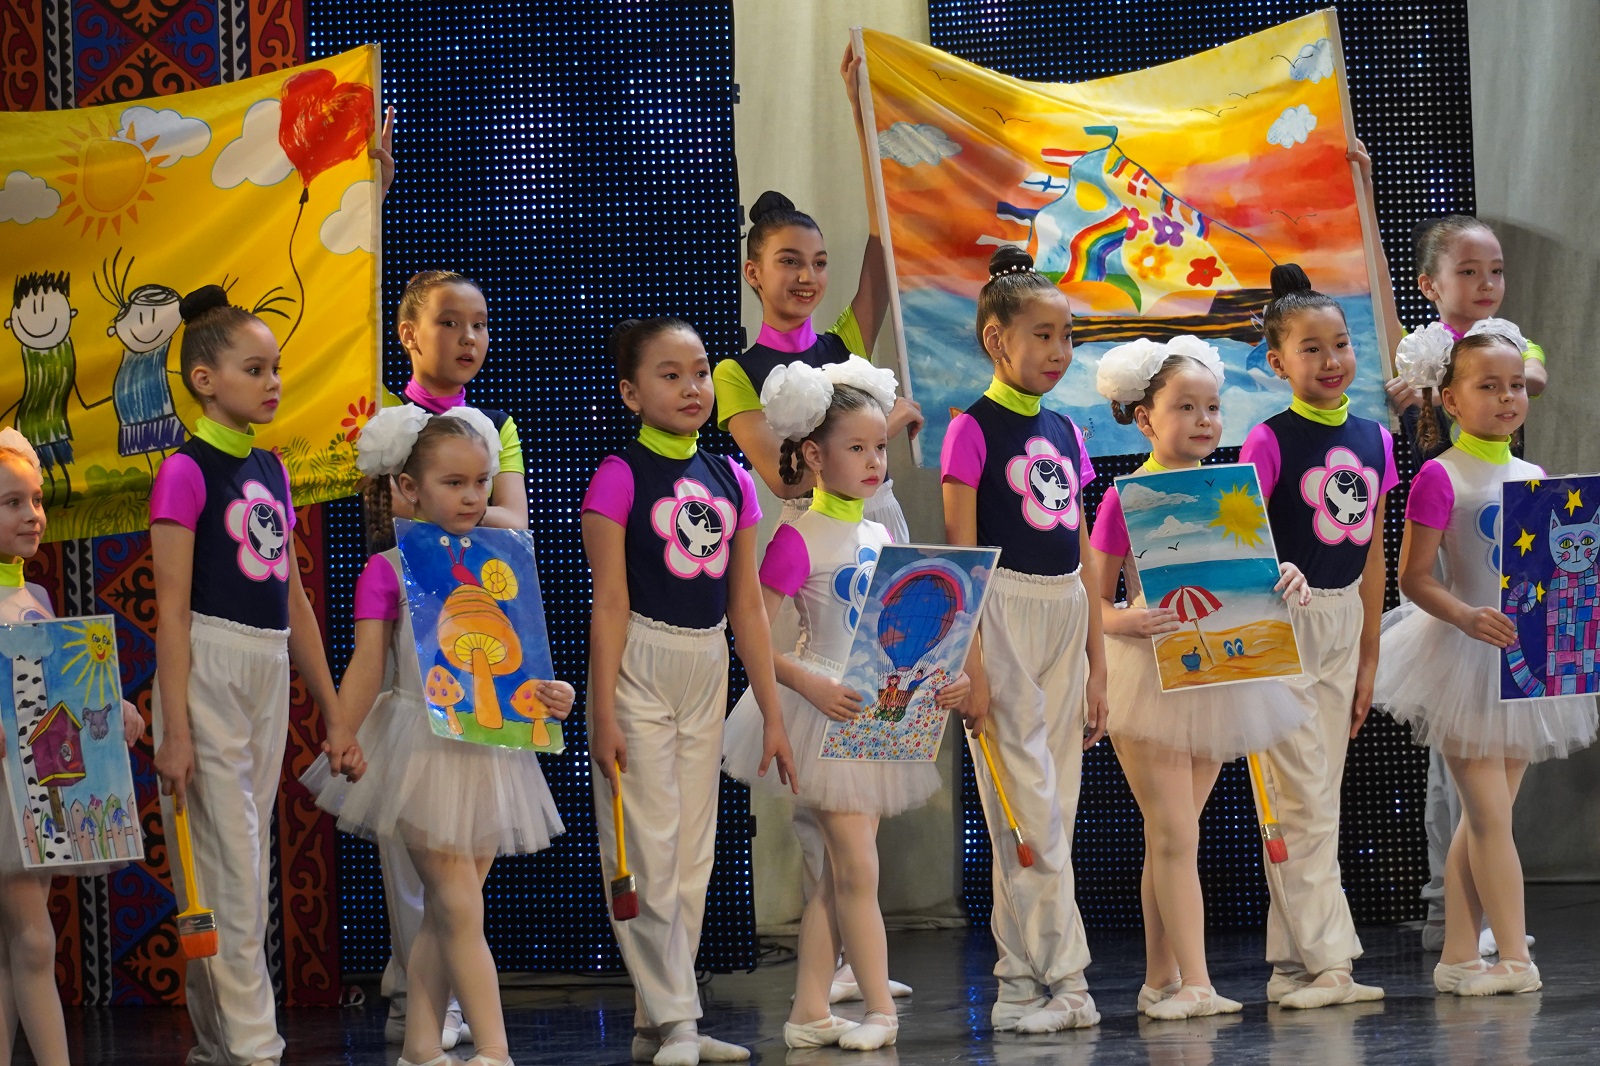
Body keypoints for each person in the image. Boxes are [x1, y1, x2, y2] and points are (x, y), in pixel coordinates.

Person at [713, 44, 924, 1004]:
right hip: (804, 557)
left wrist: (863, 109)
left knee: (867, 762)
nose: (807, 276)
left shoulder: (844, 342)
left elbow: (889, 241)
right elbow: (779, 469)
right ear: (755, 273)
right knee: (816, 782)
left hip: (870, 542)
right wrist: (870, 429)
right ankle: (830, 965)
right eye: (789, 263)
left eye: (817, 262)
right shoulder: (736, 372)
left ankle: (849, 952)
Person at [306, 405, 572, 1066]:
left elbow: (518, 662)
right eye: (454, 483)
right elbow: (369, 663)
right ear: (409, 487)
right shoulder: (387, 568)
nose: (474, 496)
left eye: (481, 481)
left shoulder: (502, 561)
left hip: (487, 750)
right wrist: (342, 730)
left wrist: (554, 694)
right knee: (458, 905)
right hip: (418, 749)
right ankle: (495, 1049)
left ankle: (421, 1048)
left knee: (447, 912)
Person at [724, 354, 965, 1052]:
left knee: (837, 875)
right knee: (857, 868)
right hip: (823, 710)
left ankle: (808, 1010)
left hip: (872, 710)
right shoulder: (797, 536)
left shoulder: (880, 534)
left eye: (878, 448)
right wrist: (809, 686)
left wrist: (939, 680)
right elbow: (752, 636)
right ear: (813, 455)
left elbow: (899, 636)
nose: (872, 461)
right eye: (855, 448)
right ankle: (881, 1010)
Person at [581, 318, 791, 1066]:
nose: (692, 387)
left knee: (692, 854)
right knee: (645, 845)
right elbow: (609, 603)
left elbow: (748, 609)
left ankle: (659, 1019)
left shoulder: (734, 479)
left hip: (706, 666)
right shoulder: (618, 476)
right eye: (669, 375)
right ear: (631, 393)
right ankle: (678, 1021)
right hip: (640, 660)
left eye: (700, 371)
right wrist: (602, 712)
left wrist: (771, 713)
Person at [1088, 336, 1311, 1019]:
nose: (1204, 420)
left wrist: (1287, 578)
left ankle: (1162, 980)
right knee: (1175, 835)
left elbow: (1247, 577)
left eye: (1212, 406)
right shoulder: (1124, 500)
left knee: (1174, 837)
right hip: (1147, 676)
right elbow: (1089, 603)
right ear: (1145, 418)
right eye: (1185, 407)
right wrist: (1127, 620)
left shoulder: (1233, 493)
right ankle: (1196, 982)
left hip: (1217, 676)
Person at [150, 285, 344, 1065]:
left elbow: (294, 598)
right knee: (228, 863)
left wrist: (333, 709)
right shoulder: (185, 472)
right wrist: (175, 728)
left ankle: (216, 1045)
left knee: (240, 863)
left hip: (265, 666)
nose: (273, 383)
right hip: (208, 666)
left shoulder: (271, 467)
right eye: (255, 369)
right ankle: (256, 1048)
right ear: (205, 380)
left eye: (276, 368)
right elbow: (170, 612)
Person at [1376, 331, 1596, 996]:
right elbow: (1414, 578)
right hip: (1461, 659)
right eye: (1488, 386)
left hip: (1524, 664)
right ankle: (1516, 959)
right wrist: (1466, 616)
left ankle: (1458, 956)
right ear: (1450, 399)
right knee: (1492, 819)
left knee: (1483, 820)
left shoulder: (1534, 477)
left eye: (1515, 386)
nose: (1507, 398)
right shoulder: (1440, 476)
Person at [939, 246, 1106, 1033]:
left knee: (1051, 814)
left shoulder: (1068, 431)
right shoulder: (970, 430)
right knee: (1025, 810)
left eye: (1067, 336)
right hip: (1001, 613)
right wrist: (970, 664)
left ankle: (1016, 981)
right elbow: (963, 558)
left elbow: (1085, 552)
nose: (1058, 351)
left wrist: (1098, 664)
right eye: (1043, 335)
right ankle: (1067, 982)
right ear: (996, 340)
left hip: (1065, 612)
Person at [1238, 264, 1398, 1009]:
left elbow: (1373, 554)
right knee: (1297, 795)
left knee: (1315, 796)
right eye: (1311, 349)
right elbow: (1244, 541)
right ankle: (1330, 961)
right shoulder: (1268, 439)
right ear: (1278, 363)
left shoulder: (1374, 438)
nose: (1331, 360)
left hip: (1344, 622)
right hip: (1285, 622)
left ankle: (1293, 962)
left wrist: (1369, 656)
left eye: (1341, 344)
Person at [376, 269, 527, 1051]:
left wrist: (454, 503)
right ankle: (421, 1009)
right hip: (412, 650)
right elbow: (385, 523)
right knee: (422, 864)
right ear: (409, 333)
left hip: (478, 657)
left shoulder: (493, 423)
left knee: (460, 875)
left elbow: (514, 525)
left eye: (480, 324)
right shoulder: (385, 423)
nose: (469, 338)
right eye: (449, 323)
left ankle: (429, 1026)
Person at [0, 429, 142, 1066]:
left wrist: (114, 708)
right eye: (12, 503)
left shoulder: (36, 598)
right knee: (32, 941)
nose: (32, 514)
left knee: (16, 945)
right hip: (4, 791)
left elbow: (61, 688)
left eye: (35, 500)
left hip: (29, 792)